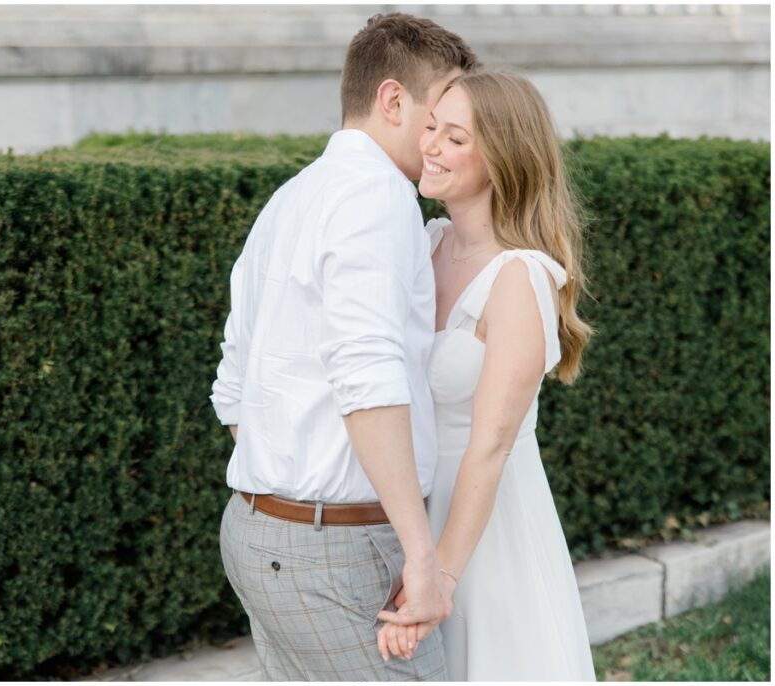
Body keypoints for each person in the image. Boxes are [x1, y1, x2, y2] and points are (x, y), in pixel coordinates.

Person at [210, 13, 480, 681]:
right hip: (334, 550)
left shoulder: (291, 197)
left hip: (259, 532)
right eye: (436, 111)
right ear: (393, 100)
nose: (445, 137)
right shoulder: (376, 199)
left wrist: (285, 480)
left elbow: (232, 387)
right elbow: (369, 378)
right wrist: (422, 558)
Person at [378, 71, 597, 680]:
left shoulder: (520, 278)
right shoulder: (425, 243)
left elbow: (493, 443)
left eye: (454, 137)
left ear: (501, 159)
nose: (430, 147)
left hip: (487, 527)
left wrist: (442, 574)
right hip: (410, 507)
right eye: (431, 130)